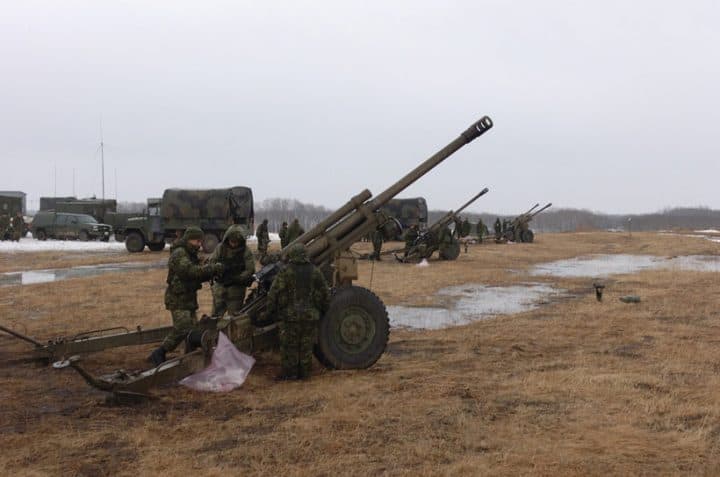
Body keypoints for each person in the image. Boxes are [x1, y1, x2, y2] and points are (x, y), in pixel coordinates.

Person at [148, 226, 223, 366]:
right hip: (177, 298)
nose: (199, 244)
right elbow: (189, 271)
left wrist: (210, 272)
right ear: (188, 239)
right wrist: (210, 269)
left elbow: (196, 276)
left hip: (188, 298)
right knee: (182, 328)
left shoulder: (190, 253)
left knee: (192, 330)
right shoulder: (180, 253)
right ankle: (159, 352)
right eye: (196, 241)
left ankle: (189, 357)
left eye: (200, 241)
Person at [266, 243, 329, 380]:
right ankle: (305, 374)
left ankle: (290, 375)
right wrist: (324, 309)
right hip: (309, 316)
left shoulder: (286, 271)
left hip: (290, 317)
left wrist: (270, 311)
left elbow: (274, 292)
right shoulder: (315, 271)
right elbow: (325, 292)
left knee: (290, 347)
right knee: (306, 346)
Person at [208, 224, 255, 317]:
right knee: (215, 318)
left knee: (234, 319)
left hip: (236, 292)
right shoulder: (220, 248)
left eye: (236, 242)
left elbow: (250, 269)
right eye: (232, 241)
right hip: (220, 290)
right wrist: (219, 268)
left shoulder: (246, 251)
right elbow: (211, 263)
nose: (233, 244)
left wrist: (238, 278)